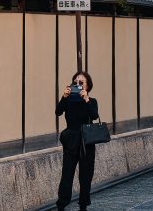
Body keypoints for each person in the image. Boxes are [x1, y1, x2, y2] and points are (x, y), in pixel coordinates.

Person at [55, 71, 99, 211]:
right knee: (67, 174)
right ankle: (62, 204)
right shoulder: (68, 100)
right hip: (71, 140)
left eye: (81, 83)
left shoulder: (92, 101)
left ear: (87, 86)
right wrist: (63, 97)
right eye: (75, 82)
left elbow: (94, 115)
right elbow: (58, 112)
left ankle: (83, 205)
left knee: (86, 176)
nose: (78, 85)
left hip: (86, 141)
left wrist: (86, 99)